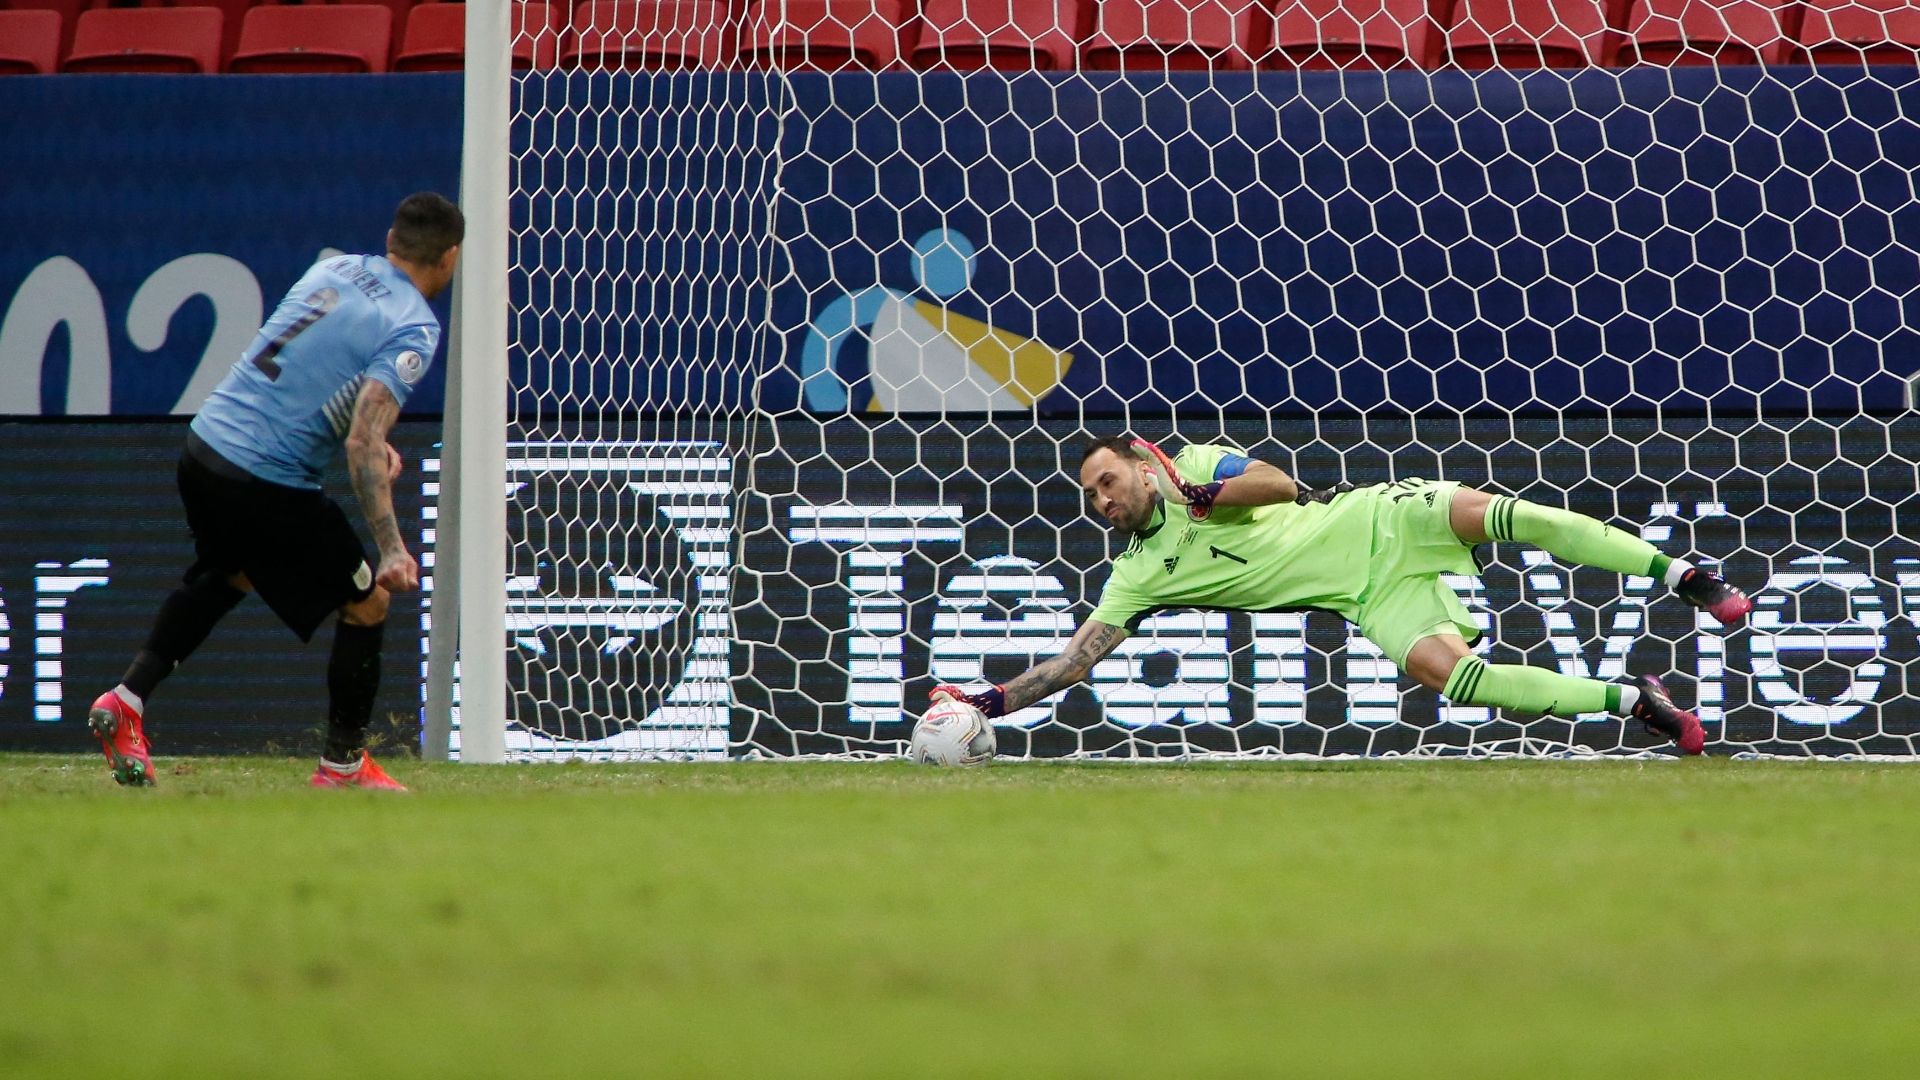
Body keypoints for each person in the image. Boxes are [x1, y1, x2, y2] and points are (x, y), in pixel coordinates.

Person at [931, 435, 1754, 754]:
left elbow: (1281, 484)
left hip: (1380, 518)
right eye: (1092, 495)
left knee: (1513, 517)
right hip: (1367, 596)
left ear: (1145, 467)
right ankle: (1635, 701)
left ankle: (1687, 577)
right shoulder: (1136, 576)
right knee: (1458, 680)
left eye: (1108, 480)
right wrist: (986, 702)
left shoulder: (1196, 465)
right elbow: (1074, 663)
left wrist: (1210, 494)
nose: (1102, 500)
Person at [86, 192, 465, 790]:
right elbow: (361, 440)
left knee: (233, 572)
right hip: (266, 481)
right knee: (368, 601)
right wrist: (391, 548)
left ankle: (125, 700)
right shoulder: (413, 324)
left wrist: (372, 442)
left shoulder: (335, 268)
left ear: (391, 240)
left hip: (205, 448)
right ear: (449, 257)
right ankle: (342, 767)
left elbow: (310, 375)